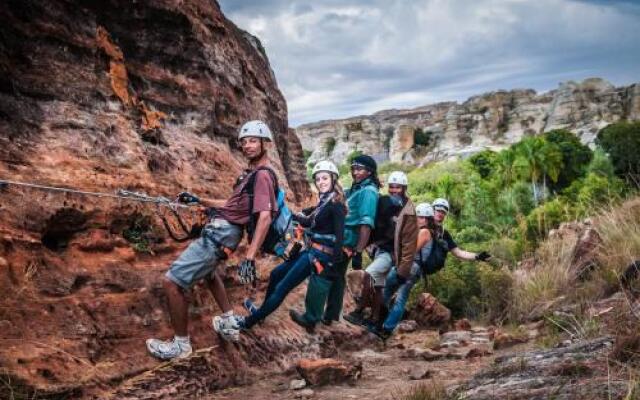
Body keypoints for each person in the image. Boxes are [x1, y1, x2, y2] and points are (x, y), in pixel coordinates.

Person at [146, 120, 278, 360]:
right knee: (209, 272)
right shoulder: (252, 175)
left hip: (222, 234)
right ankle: (228, 321)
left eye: (253, 141)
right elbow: (231, 205)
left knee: (172, 282)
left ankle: (180, 346)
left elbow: (266, 216)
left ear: (265, 143)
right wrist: (199, 201)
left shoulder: (262, 176)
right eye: (244, 141)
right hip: (224, 231)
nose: (247, 146)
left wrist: (249, 256)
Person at [222, 160, 346, 333]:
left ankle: (247, 323)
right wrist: (286, 213)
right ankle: (261, 313)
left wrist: (333, 264)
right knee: (275, 274)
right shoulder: (324, 202)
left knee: (282, 288)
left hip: (320, 256)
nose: (321, 182)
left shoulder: (336, 204)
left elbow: (340, 236)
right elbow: (310, 221)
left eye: (325, 178)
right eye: (318, 179)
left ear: (334, 179)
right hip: (311, 252)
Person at [289, 154, 380, 329]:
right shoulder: (356, 189)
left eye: (359, 169)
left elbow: (366, 224)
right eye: (353, 168)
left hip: (344, 242)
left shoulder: (368, 192)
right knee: (337, 277)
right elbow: (330, 202)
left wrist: (358, 252)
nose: (355, 172)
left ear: (370, 172)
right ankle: (331, 315)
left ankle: (310, 318)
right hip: (342, 239)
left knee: (321, 276)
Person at [344, 171, 418, 330]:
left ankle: (359, 311)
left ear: (404, 188)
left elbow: (410, 243)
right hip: (379, 249)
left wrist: (403, 271)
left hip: (391, 254)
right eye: (391, 187)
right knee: (378, 286)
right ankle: (375, 319)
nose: (393, 190)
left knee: (369, 274)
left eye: (397, 187)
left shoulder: (409, 213)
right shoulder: (386, 202)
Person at [374, 202, 435, 339]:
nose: (417, 220)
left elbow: (412, 250)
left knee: (395, 296)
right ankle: (382, 325)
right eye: (417, 217)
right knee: (390, 294)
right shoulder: (422, 231)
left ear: (426, 219)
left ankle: (384, 327)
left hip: (411, 267)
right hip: (412, 268)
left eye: (420, 217)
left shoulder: (424, 232)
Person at [428, 198, 492, 272]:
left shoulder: (444, 234)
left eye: (443, 212)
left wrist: (477, 256)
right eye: (438, 210)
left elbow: (458, 253)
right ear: (432, 211)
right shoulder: (422, 226)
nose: (440, 214)